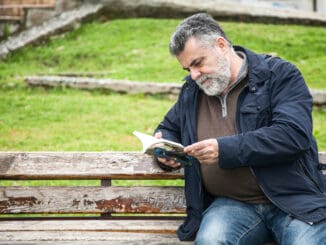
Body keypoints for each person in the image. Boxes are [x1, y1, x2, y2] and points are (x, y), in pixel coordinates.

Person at [154, 13, 326, 244]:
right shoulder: (193, 92)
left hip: (292, 200)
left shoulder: (279, 75)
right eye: (188, 70)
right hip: (231, 204)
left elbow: (293, 135)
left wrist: (224, 149)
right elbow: (169, 127)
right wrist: (164, 148)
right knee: (210, 241)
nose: (194, 75)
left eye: (198, 63)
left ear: (221, 45)